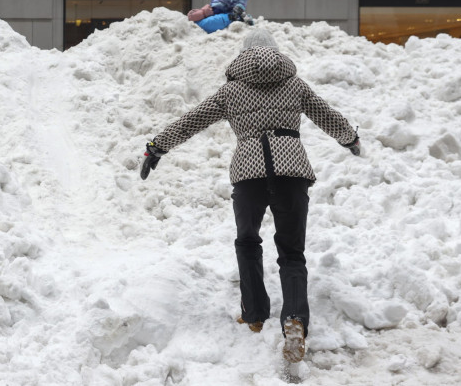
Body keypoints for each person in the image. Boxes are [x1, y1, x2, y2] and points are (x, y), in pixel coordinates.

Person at [139, 29, 361, 363]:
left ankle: (255, 314)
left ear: (243, 56)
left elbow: (192, 120)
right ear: (277, 53)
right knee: (292, 252)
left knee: (247, 241)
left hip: (249, 175)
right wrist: (350, 139)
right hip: (292, 173)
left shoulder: (231, 91)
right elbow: (326, 115)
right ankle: (295, 319)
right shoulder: (294, 85)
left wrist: (158, 146)